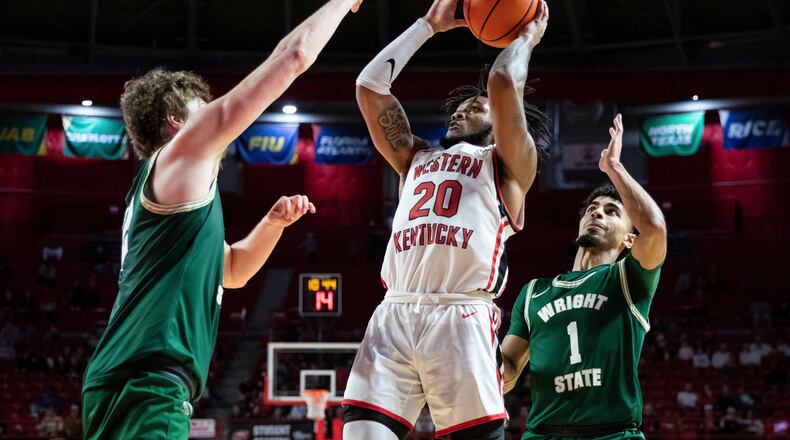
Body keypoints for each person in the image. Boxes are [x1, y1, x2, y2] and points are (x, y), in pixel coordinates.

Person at [80, 1, 363, 438]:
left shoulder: (171, 198)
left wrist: (271, 225)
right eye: (203, 108)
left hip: (128, 377)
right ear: (177, 122)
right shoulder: (178, 155)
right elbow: (293, 58)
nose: (214, 115)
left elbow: (232, 271)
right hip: (148, 381)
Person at [341, 1, 551, 439]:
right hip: (395, 311)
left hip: (461, 316)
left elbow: (502, 81)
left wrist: (526, 38)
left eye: (474, 108)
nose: (458, 112)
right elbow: (368, 86)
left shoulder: (510, 164)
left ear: (499, 119)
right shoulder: (414, 158)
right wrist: (426, 26)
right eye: (459, 108)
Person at [501, 114, 667, 439]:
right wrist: (482, 345)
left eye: (611, 211)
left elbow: (654, 228)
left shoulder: (628, 279)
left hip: (613, 433)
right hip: (543, 433)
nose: (597, 212)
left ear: (628, 240)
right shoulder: (534, 291)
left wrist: (614, 168)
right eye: (593, 208)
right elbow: (506, 376)